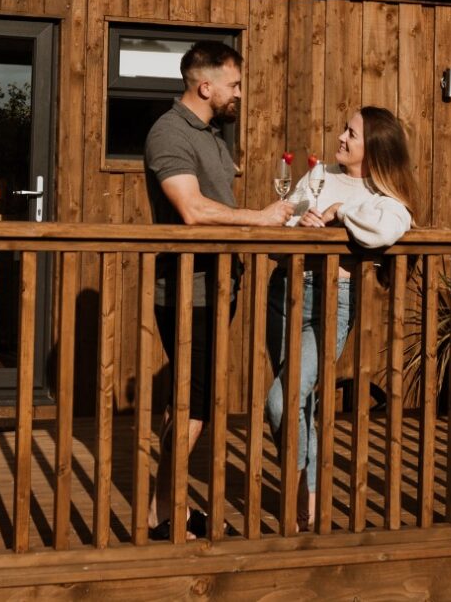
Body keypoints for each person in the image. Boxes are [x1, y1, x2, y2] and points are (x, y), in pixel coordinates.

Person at [144, 40, 294, 540]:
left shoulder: (210, 133)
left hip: (215, 289)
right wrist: (262, 219)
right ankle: (164, 517)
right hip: (189, 293)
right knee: (197, 408)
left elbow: (218, 198)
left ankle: (165, 512)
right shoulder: (168, 133)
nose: (239, 94)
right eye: (233, 85)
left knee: (188, 403)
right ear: (204, 86)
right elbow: (192, 209)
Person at [267, 106, 415, 529]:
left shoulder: (384, 196)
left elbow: (385, 230)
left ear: (375, 147)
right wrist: (299, 224)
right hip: (284, 291)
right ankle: (310, 501)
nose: (341, 137)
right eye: (344, 129)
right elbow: (283, 218)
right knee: (301, 403)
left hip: (332, 300)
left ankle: (295, 495)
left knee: (282, 399)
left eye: (352, 133)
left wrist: (338, 214)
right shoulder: (319, 175)